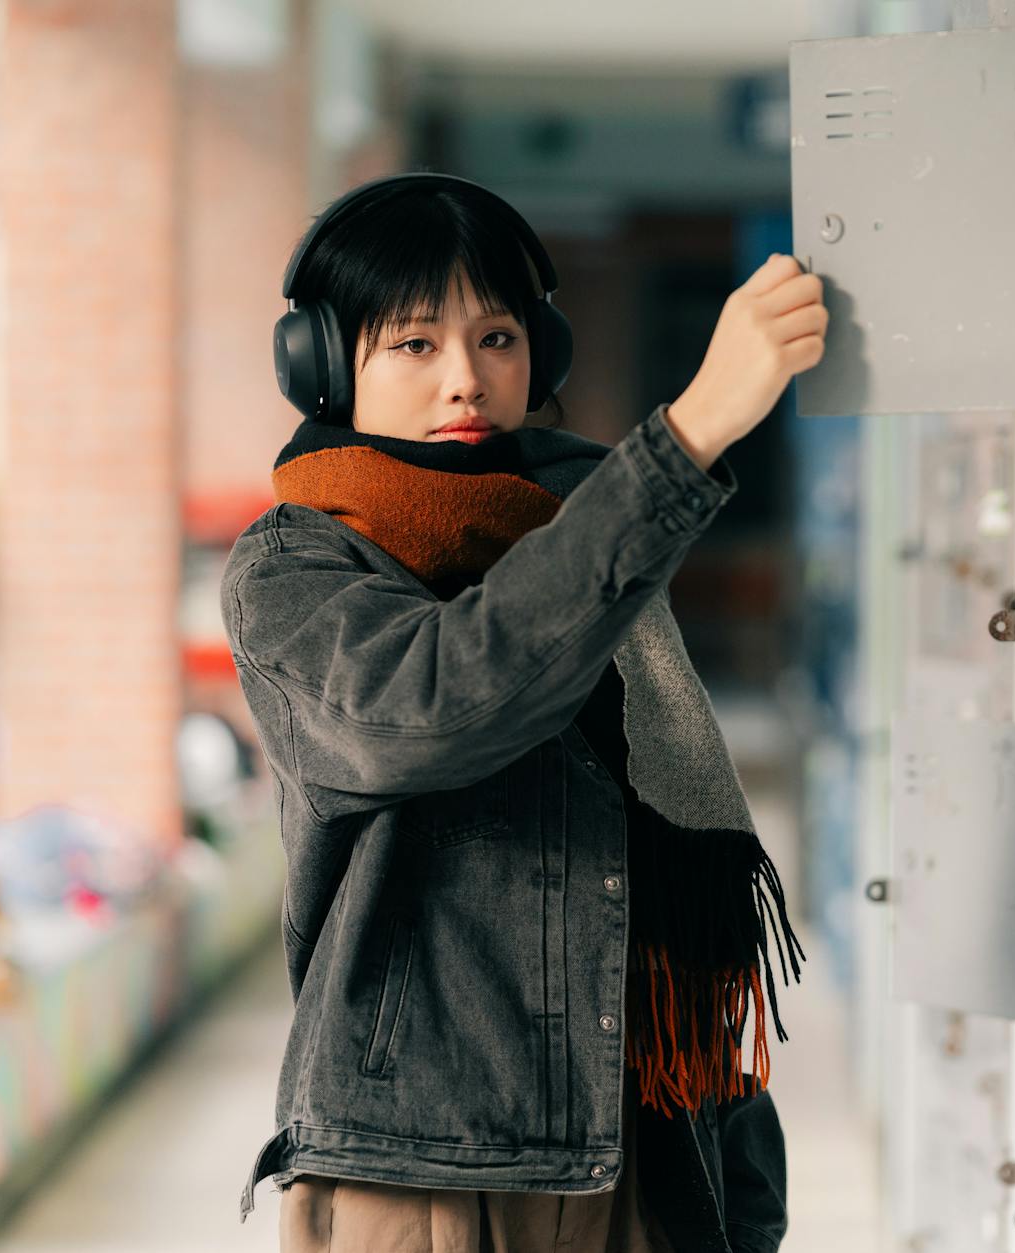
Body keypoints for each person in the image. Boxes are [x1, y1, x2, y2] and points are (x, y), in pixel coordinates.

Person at [220, 173, 828, 1253]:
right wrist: (683, 440)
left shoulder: (593, 541)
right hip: (421, 1167)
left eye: (495, 336)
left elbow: (660, 870)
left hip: (637, 1137)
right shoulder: (294, 564)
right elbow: (430, 706)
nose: (464, 379)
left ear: (538, 352)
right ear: (321, 366)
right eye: (412, 344)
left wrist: (732, 1149)